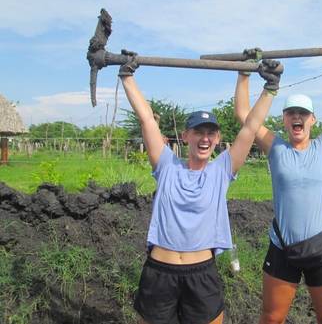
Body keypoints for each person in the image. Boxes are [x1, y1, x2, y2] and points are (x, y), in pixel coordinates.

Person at [118, 49, 283, 324]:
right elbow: (147, 118)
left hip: (202, 274)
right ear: (185, 136)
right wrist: (127, 76)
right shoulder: (166, 165)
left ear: (217, 139)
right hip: (160, 273)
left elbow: (250, 127)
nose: (204, 138)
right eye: (198, 132)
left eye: (210, 133)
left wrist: (270, 89)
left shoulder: (222, 171)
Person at [234, 44, 322, 324]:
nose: (297, 117)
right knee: (271, 317)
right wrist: (244, 71)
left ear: (313, 120)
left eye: (303, 113)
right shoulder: (275, 147)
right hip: (282, 248)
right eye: (291, 112)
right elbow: (244, 113)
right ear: (283, 118)